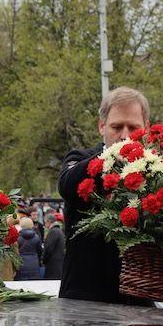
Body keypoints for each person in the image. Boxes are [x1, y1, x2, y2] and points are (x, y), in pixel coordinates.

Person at [58, 86, 151, 304]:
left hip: (138, 303)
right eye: (117, 127)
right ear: (102, 126)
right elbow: (67, 185)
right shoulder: (79, 158)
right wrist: (111, 158)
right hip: (83, 304)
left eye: (133, 127)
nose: (125, 135)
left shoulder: (156, 171)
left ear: (146, 128)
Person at [42, 213, 65, 280]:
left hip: (53, 265)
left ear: (49, 222)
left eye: (45, 222)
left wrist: (44, 260)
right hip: (58, 264)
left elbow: (48, 248)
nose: (45, 225)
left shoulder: (53, 232)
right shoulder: (58, 231)